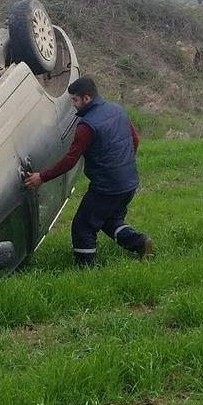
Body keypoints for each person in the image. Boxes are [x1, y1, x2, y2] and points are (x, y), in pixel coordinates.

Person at [24, 76, 153, 267]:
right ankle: (141, 243)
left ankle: (86, 267)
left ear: (86, 98)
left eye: (75, 100)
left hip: (106, 188)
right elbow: (135, 139)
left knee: (82, 226)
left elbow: (70, 160)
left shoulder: (87, 126)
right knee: (109, 220)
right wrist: (123, 164)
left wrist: (41, 177)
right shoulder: (118, 110)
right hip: (129, 182)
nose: (73, 105)